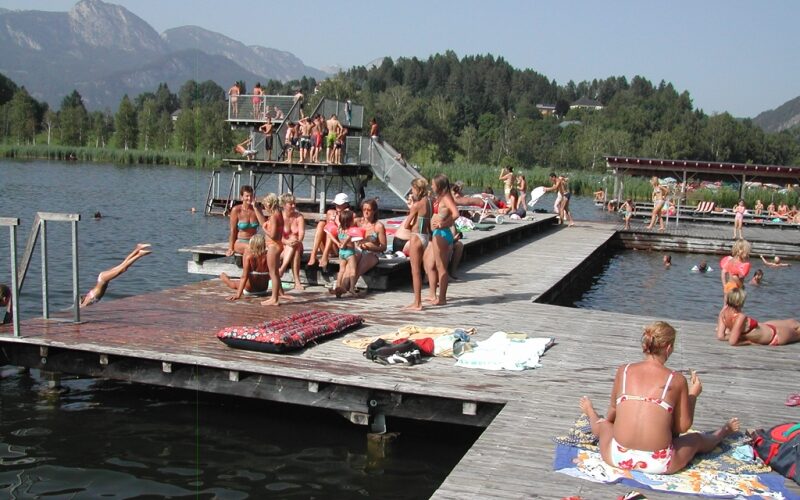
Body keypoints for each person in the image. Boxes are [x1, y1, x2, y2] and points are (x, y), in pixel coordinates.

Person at [579, 321, 740, 474]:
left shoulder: (624, 371)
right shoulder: (675, 379)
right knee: (696, 440)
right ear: (669, 348)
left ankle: (590, 412)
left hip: (618, 456)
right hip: (660, 463)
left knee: (604, 425)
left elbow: (613, 411)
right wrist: (693, 394)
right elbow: (683, 427)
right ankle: (722, 433)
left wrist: (618, 424)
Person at [717, 288, 800, 346]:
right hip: (775, 336)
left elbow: (721, 336)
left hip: (766, 327)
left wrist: (739, 336)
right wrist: (748, 342)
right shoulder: (740, 317)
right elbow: (732, 342)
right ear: (739, 301)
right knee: (798, 333)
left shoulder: (723, 314)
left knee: (792, 322)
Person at [424, 174, 459, 306]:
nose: (431, 186)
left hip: (442, 234)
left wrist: (443, 224)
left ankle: (442, 298)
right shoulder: (440, 198)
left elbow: (456, 213)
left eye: (433, 184)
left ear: (439, 185)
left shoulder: (446, 197)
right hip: (438, 233)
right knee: (429, 264)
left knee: (441, 267)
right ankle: (433, 294)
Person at [80, 244, 152, 307]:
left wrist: (80, 308)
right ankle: (138, 248)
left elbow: (81, 307)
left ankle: (139, 254)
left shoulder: (85, 304)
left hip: (103, 279)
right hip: (103, 278)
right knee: (123, 264)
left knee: (123, 268)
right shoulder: (88, 300)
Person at [403, 178, 432, 311]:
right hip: (425, 235)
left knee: (415, 271)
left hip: (416, 236)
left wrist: (411, 211)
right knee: (419, 269)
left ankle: (417, 302)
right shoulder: (429, 201)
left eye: (413, 189)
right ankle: (417, 301)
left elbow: (406, 224)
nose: (412, 192)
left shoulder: (417, 204)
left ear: (418, 189)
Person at [220, 234, 270, 300]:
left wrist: (238, 295)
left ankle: (224, 278)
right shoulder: (269, 256)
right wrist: (281, 293)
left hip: (249, 291)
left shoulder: (249, 256)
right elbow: (275, 274)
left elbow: (244, 276)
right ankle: (225, 277)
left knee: (233, 284)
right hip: (263, 290)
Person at [353, 198, 387, 293]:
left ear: (374, 211)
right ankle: (342, 285)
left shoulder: (378, 226)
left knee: (359, 268)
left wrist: (370, 247)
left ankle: (348, 287)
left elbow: (383, 247)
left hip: (372, 252)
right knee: (351, 264)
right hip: (358, 250)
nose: (366, 212)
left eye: (369, 210)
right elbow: (344, 227)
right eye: (364, 209)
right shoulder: (357, 222)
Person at [308, 193, 350, 268]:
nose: (337, 205)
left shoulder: (349, 215)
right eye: (336, 203)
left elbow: (344, 232)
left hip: (339, 246)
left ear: (346, 204)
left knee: (331, 226)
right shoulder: (331, 212)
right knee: (321, 224)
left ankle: (325, 255)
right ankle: (313, 254)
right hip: (327, 245)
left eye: (340, 204)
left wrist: (337, 221)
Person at [260, 194, 286, 306]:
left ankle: (274, 298)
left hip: (273, 246)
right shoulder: (278, 214)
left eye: (265, 205)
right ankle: (274, 297)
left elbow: (274, 235)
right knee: (274, 272)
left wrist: (264, 229)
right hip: (276, 245)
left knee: (273, 273)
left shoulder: (275, 216)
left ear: (269, 204)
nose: (265, 207)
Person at [226, 185, 264, 257]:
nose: (249, 198)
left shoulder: (257, 208)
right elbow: (233, 230)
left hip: (254, 241)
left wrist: (255, 208)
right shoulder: (236, 210)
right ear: (242, 197)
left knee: (260, 252)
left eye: (251, 196)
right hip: (240, 241)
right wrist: (230, 248)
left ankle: (255, 268)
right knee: (250, 249)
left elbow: (263, 225)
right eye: (247, 196)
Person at [329, 209, 360, 297]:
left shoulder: (339, 228)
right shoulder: (350, 230)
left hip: (341, 253)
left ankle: (338, 286)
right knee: (353, 271)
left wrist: (337, 243)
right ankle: (352, 288)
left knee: (341, 270)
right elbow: (349, 238)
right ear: (350, 221)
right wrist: (345, 243)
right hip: (350, 252)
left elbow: (330, 234)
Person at [278, 193, 305, 290]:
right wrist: (287, 242)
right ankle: (297, 281)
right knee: (294, 248)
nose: (294, 206)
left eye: (294, 203)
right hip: (283, 247)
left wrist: (296, 241)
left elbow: (301, 234)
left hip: (297, 244)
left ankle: (282, 269)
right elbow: (277, 236)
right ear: (284, 205)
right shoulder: (279, 216)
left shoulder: (299, 217)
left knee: (295, 244)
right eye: (291, 204)